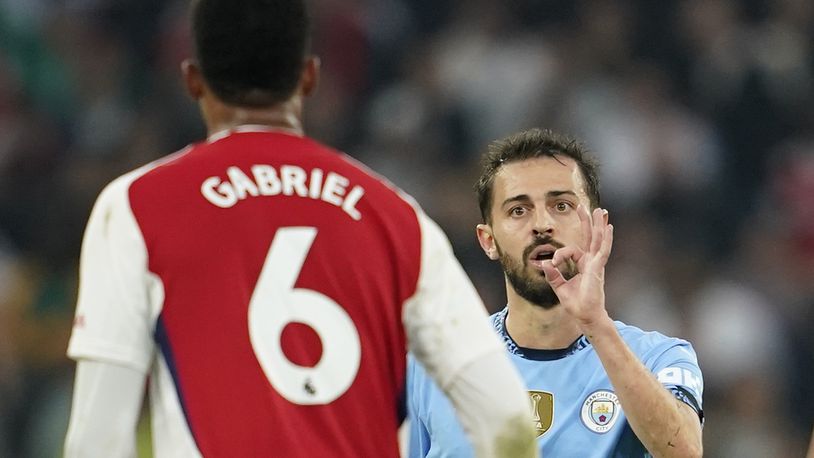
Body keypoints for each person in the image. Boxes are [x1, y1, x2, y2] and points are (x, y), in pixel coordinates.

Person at [62, 1, 537, 457]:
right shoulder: (395, 218)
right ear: (309, 76)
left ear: (192, 80)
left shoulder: (138, 206)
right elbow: (508, 418)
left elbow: (97, 440)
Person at [407, 128, 704, 457]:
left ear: (596, 226)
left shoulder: (659, 357)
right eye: (519, 210)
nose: (542, 224)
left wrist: (596, 324)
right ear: (488, 240)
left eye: (561, 205)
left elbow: (685, 452)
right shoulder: (430, 367)